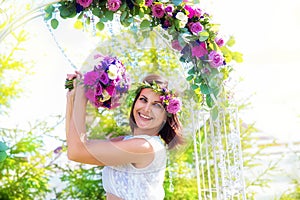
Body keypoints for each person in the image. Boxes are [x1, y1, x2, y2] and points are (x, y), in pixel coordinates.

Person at [65, 72, 184, 200]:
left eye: (157, 105)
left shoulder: (145, 147)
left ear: (166, 116)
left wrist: (82, 95)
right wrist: (72, 99)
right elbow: (76, 145)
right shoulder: (127, 141)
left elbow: (76, 152)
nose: (146, 109)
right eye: (143, 100)